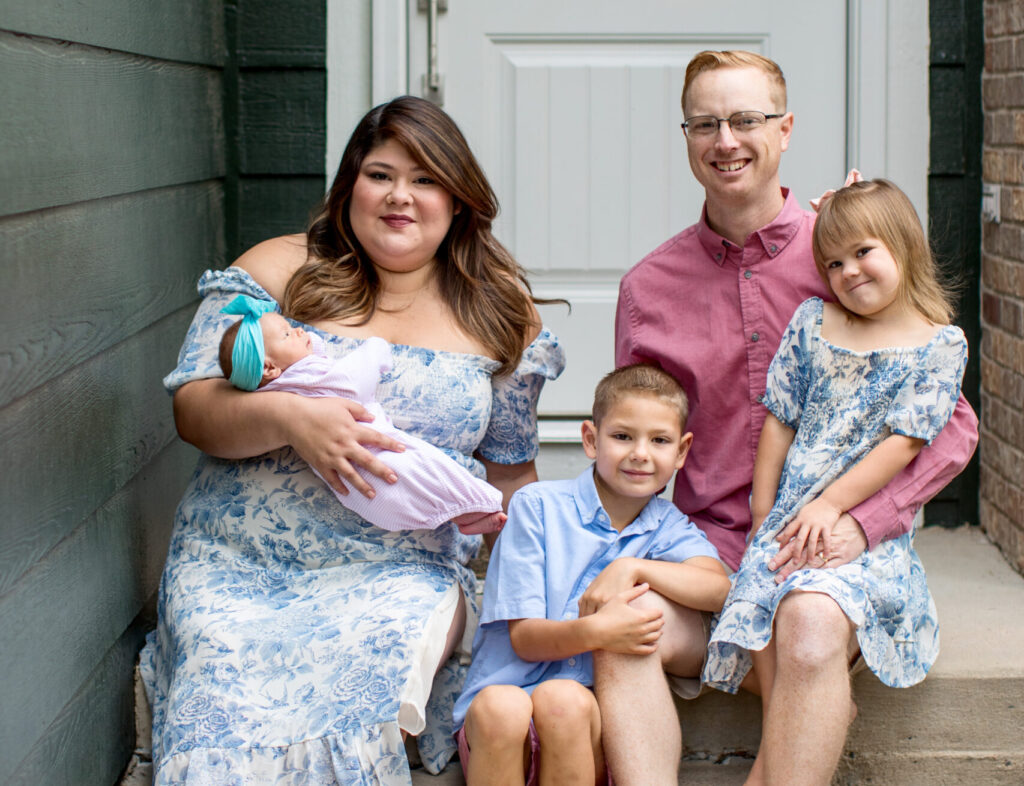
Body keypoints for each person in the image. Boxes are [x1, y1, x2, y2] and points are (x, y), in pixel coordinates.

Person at [139, 95, 565, 784]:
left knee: (374, 663)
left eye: (426, 179)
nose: (402, 196)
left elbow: (512, 474)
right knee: (221, 689)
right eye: (381, 174)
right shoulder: (277, 272)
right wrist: (291, 421)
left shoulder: (500, 311)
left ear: (458, 200)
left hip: (397, 572)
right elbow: (193, 408)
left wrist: (546, 598)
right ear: (349, 187)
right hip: (240, 566)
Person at [607, 50, 978, 785]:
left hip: (826, 541)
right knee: (622, 629)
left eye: (746, 119)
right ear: (686, 139)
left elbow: (951, 424)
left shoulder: (844, 254)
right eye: (705, 124)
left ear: (786, 129)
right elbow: (638, 437)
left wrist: (863, 521)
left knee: (803, 628)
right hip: (710, 543)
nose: (726, 141)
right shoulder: (648, 289)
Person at [704, 178, 968, 780]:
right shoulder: (813, 322)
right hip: (788, 516)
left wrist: (831, 506)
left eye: (864, 252)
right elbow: (779, 421)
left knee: (807, 618)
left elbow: (905, 443)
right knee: (763, 605)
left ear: (904, 243)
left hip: (855, 529)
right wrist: (765, 513)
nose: (848, 272)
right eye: (833, 262)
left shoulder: (940, 346)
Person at [452, 364, 730, 786]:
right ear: (590, 439)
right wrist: (600, 631)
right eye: (622, 437)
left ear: (682, 452)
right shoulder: (538, 508)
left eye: (659, 440)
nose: (640, 453)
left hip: (579, 728)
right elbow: (526, 639)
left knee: (565, 700)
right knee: (501, 706)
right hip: (500, 725)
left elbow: (718, 588)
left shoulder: (667, 525)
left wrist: (632, 566)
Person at [217, 296, 505, 534]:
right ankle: (476, 502)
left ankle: (461, 512)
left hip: (357, 485)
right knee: (427, 468)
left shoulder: (273, 391)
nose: (300, 332)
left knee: (415, 485)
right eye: (287, 334)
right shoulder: (306, 377)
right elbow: (351, 384)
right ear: (269, 368)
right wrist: (376, 349)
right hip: (372, 453)